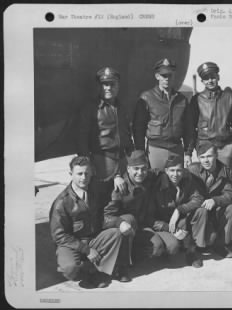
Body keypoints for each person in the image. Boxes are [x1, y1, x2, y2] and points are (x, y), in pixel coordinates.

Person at [49, 156, 131, 288]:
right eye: (79, 174)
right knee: (70, 269)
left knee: (117, 233)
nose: (83, 177)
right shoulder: (61, 202)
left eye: (86, 173)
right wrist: (87, 250)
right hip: (71, 243)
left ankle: (96, 272)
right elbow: (59, 236)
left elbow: (102, 218)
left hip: (92, 239)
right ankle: (87, 269)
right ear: (71, 174)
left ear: (92, 173)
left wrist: (119, 222)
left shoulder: (93, 193)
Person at [78, 67, 134, 212]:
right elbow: (82, 138)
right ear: (100, 86)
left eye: (112, 84)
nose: (109, 88)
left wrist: (132, 159)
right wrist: (87, 164)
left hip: (122, 160)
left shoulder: (122, 107)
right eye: (105, 84)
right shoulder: (90, 108)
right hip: (102, 162)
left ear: (118, 86)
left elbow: (127, 134)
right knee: (100, 202)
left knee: (124, 201)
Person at [102, 150, 158, 277]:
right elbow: (106, 217)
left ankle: (133, 254)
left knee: (158, 248)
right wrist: (120, 222)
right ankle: (121, 265)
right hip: (124, 229)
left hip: (141, 228)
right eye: (136, 169)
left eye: (144, 169)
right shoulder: (120, 188)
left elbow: (161, 172)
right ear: (128, 169)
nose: (140, 173)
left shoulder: (148, 178)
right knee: (129, 218)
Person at [145, 155, 207, 268]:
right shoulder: (157, 186)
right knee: (173, 247)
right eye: (172, 170)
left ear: (183, 171)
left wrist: (179, 209)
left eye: (179, 170)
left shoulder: (187, 181)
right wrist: (168, 228)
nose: (175, 174)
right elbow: (149, 217)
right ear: (166, 171)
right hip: (161, 224)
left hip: (179, 220)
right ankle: (164, 249)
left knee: (201, 211)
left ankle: (191, 252)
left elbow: (198, 198)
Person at [133, 58, 193, 169]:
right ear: (157, 76)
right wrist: (141, 152)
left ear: (174, 75)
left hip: (176, 149)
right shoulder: (147, 97)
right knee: (156, 183)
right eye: (164, 75)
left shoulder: (182, 100)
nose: (167, 79)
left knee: (176, 183)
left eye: (170, 75)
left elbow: (188, 129)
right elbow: (138, 128)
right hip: (155, 150)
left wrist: (188, 153)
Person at [187, 141, 232, 258]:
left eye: (209, 156)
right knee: (207, 238)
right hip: (198, 212)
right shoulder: (192, 170)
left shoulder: (225, 171)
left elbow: (230, 195)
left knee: (231, 208)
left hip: (214, 210)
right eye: (202, 157)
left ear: (216, 155)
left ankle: (221, 244)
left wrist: (215, 200)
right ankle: (194, 246)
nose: (206, 160)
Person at [188, 62, 232, 169]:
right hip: (204, 147)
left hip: (225, 147)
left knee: (225, 179)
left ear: (218, 77)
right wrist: (192, 149)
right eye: (206, 78)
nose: (210, 81)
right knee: (205, 180)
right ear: (202, 81)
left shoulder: (229, 98)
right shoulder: (197, 100)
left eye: (213, 77)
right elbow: (190, 126)